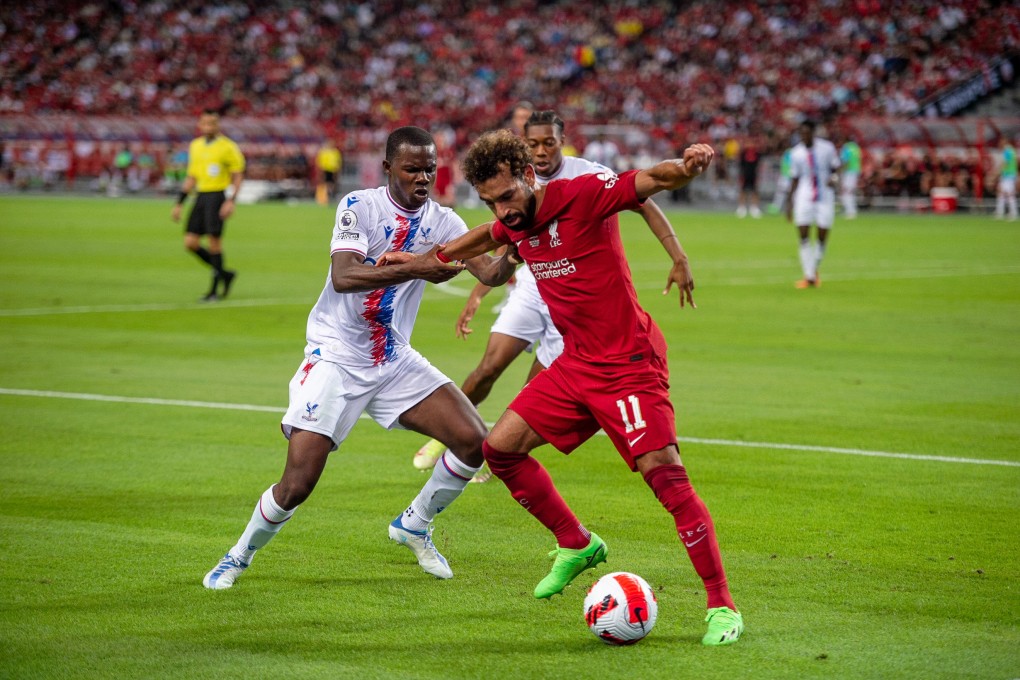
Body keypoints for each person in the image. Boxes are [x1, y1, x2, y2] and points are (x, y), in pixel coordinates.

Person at [433, 130, 744, 646]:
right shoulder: (515, 225)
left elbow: (650, 182)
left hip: (628, 365)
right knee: (500, 450)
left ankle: (721, 605)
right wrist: (419, 260)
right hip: (576, 366)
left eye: (508, 196)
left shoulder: (583, 193)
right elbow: (479, 244)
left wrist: (688, 167)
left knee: (665, 478)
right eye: (491, 202)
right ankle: (577, 543)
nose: (503, 210)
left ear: (529, 176)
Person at [201, 126, 517, 590]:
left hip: (392, 359)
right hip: (337, 357)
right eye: (412, 169)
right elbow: (345, 275)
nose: (423, 177)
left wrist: (517, 245)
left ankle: (414, 523)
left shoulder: (445, 222)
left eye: (430, 169)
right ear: (388, 168)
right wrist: (418, 266)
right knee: (298, 484)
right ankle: (238, 555)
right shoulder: (359, 207)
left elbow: (488, 272)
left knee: (475, 441)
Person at [413, 110, 697, 481]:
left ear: (561, 141)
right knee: (489, 366)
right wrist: (478, 293)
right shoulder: (509, 184)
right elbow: (500, 238)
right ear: (524, 148)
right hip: (535, 284)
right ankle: (455, 439)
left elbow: (643, 199)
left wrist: (677, 254)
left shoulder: (586, 176)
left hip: (580, 300)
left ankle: (501, 448)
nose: (542, 150)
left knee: (539, 390)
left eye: (549, 142)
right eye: (534, 144)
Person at [171, 109, 246, 302]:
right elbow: (191, 177)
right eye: (205, 123)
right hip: (201, 196)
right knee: (190, 243)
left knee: (214, 243)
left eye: (212, 123)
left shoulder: (228, 147)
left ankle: (213, 291)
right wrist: (179, 203)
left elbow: (237, 175)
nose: (208, 127)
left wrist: (231, 200)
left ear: (218, 125)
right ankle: (224, 273)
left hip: (217, 196)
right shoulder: (195, 145)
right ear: (200, 125)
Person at [785, 120, 840, 289]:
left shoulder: (827, 148)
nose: (804, 136)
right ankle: (809, 276)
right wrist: (789, 202)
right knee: (803, 236)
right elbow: (794, 179)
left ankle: (813, 269)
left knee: (822, 236)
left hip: (825, 196)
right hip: (804, 196)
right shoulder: (796, 153)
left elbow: (836, 169)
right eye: (802, 133)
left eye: (807, 132)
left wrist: (834, 179)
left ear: (813, 132)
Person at [735, 138, 762, 218]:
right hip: (744, 175)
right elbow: (740, 165)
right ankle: (741, 208)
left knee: (755, 191)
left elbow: (758, 165)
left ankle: (754, 208)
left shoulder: (757, 154)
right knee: (743, 191)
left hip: (753, 175)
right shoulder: (743, 154)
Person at [994, 137, 1017, 221]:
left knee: (1008, 194)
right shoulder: (1012, 150)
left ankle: (1012, 212)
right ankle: (1000, 212)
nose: (1000, 143)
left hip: (1008, 175)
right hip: (1009, 174)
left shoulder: (1007, 150)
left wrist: (997, 170)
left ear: (1005, 141)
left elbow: (1006, 163)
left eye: (1001, 141)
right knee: (1002, 193)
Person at [839, 136, 862, 219]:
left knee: (846, 191)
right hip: (855, 171)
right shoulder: (856, 148)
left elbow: (845, 161)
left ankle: (850, 211)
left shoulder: (846, 148)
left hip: (848, 172)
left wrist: (841, 172)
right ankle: (851, 210)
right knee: (850, 192)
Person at [316, 137, 342, 206]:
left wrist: (337, 169)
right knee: (326, 183)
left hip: (333, 170)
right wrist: (321, 170)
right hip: (326, 169)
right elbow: (320, 161)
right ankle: (325, 197)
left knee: (333, 183)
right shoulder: (324, 152)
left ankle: (331, 196)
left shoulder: (335, 152)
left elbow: (338, 161)